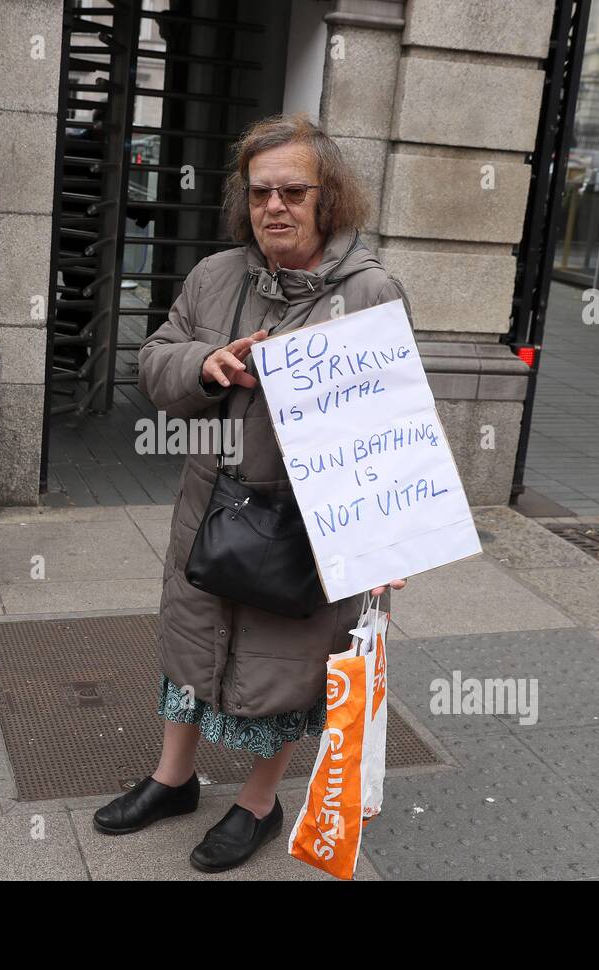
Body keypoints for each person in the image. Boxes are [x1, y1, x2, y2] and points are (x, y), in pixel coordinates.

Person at [92, 113, 410, 873]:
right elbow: (155, 359)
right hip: (210, 504)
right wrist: (206, 364)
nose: (275, 206)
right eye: (261, 191)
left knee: (287, 666)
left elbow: (395, 423)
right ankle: (173, 780)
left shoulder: (368, 292)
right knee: (191, 648)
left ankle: (258, 805)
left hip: (310, 525)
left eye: (293, 191)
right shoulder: (214, 276)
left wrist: (391, 539)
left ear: (327, 197)